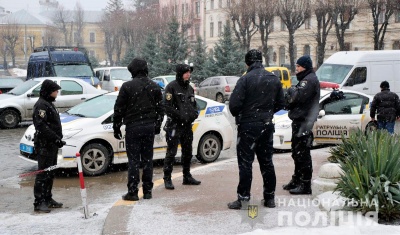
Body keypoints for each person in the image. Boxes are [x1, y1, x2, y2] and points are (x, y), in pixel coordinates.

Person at [227, 49, 286, 210]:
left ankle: (244, 198)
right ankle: (269, 198)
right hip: (266, 125)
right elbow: (282, 103)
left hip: (248, 126)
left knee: (246, 163)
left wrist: (247, 113)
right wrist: (266, 112)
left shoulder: (245, 80)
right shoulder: (274, 79)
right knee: (267, 162)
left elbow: (233, 106)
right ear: (261, 61)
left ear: (248, 63)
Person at [113, 58, 164, 201]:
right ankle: (148, 191)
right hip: (149, 127)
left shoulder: (127, 86)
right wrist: (157, 126)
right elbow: (161, 109)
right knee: (148, 159)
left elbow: (119, 108)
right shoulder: (154, 86)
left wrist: (116, 126)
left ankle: (133, 191)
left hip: (133, 127)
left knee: (133, 161)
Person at [283, 55, 320, 195]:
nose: (296, 69)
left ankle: (305, 184)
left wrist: (292, 91)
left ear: (305, 67)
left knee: (302, 153)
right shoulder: (305, 79)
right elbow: (291, 100)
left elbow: (295, 98)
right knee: (296, 152)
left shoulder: (309, 80)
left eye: (298, 66)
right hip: (300, 120)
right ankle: (297, 179)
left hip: (304, 121)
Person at [163, 63, 201, 190]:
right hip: (174, 126)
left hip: (187, 126)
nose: (189, 74)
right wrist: (180, 116)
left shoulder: (189, 88)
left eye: (189, 72)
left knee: (188, 151)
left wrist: (194, 114)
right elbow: (167, 107)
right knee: (171, 152)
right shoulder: (171, 87)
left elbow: (193, 104)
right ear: (180, 74)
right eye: (186, 72)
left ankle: (187, 176)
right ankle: (167, 178)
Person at [32, 79, 65, 213]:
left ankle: (48, 198)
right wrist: (55, 138)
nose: (57, 93)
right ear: (49, 91)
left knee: (50, 172)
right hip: (45, 145)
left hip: (51, 145)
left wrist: (57, 140)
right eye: (55, 91)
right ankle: (39, 202)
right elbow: (41, 126)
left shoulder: (48, 103)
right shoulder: (41, 105)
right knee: (43, 173)